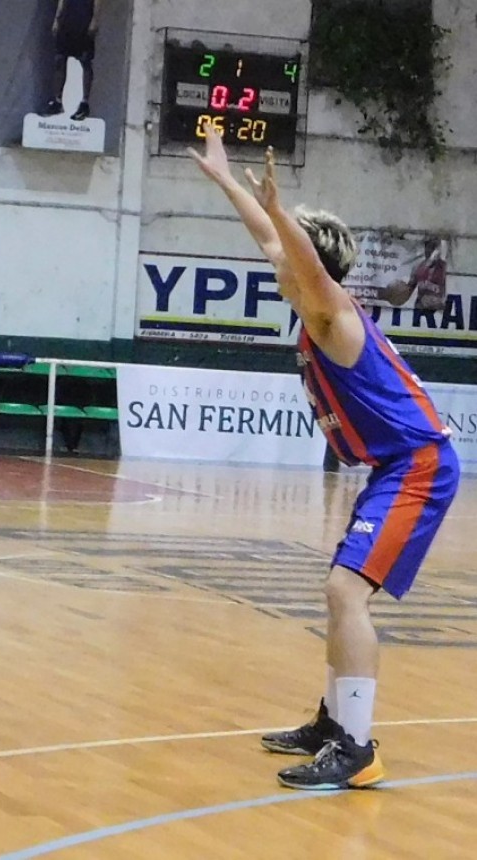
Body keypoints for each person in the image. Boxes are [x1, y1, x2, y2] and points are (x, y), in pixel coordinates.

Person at [191, 123, 460, 790]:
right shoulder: (318, 305)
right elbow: (272, 240)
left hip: (420, 463)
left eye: (284, 249)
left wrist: (283, 212)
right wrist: (225, 178)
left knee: (345, 591)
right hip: (395, 465)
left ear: (306, 258)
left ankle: (357, 747)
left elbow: (294, 254)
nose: (272, 255)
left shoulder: (329, 311)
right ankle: (333, 721)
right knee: (340, 591)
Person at [40, 0, 102, 121]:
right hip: (67, 18)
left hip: (84, 18)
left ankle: (84, 103)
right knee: (60, 59)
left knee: (85, 61)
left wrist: (95, 20)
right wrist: (57, 19)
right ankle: (57, 101)